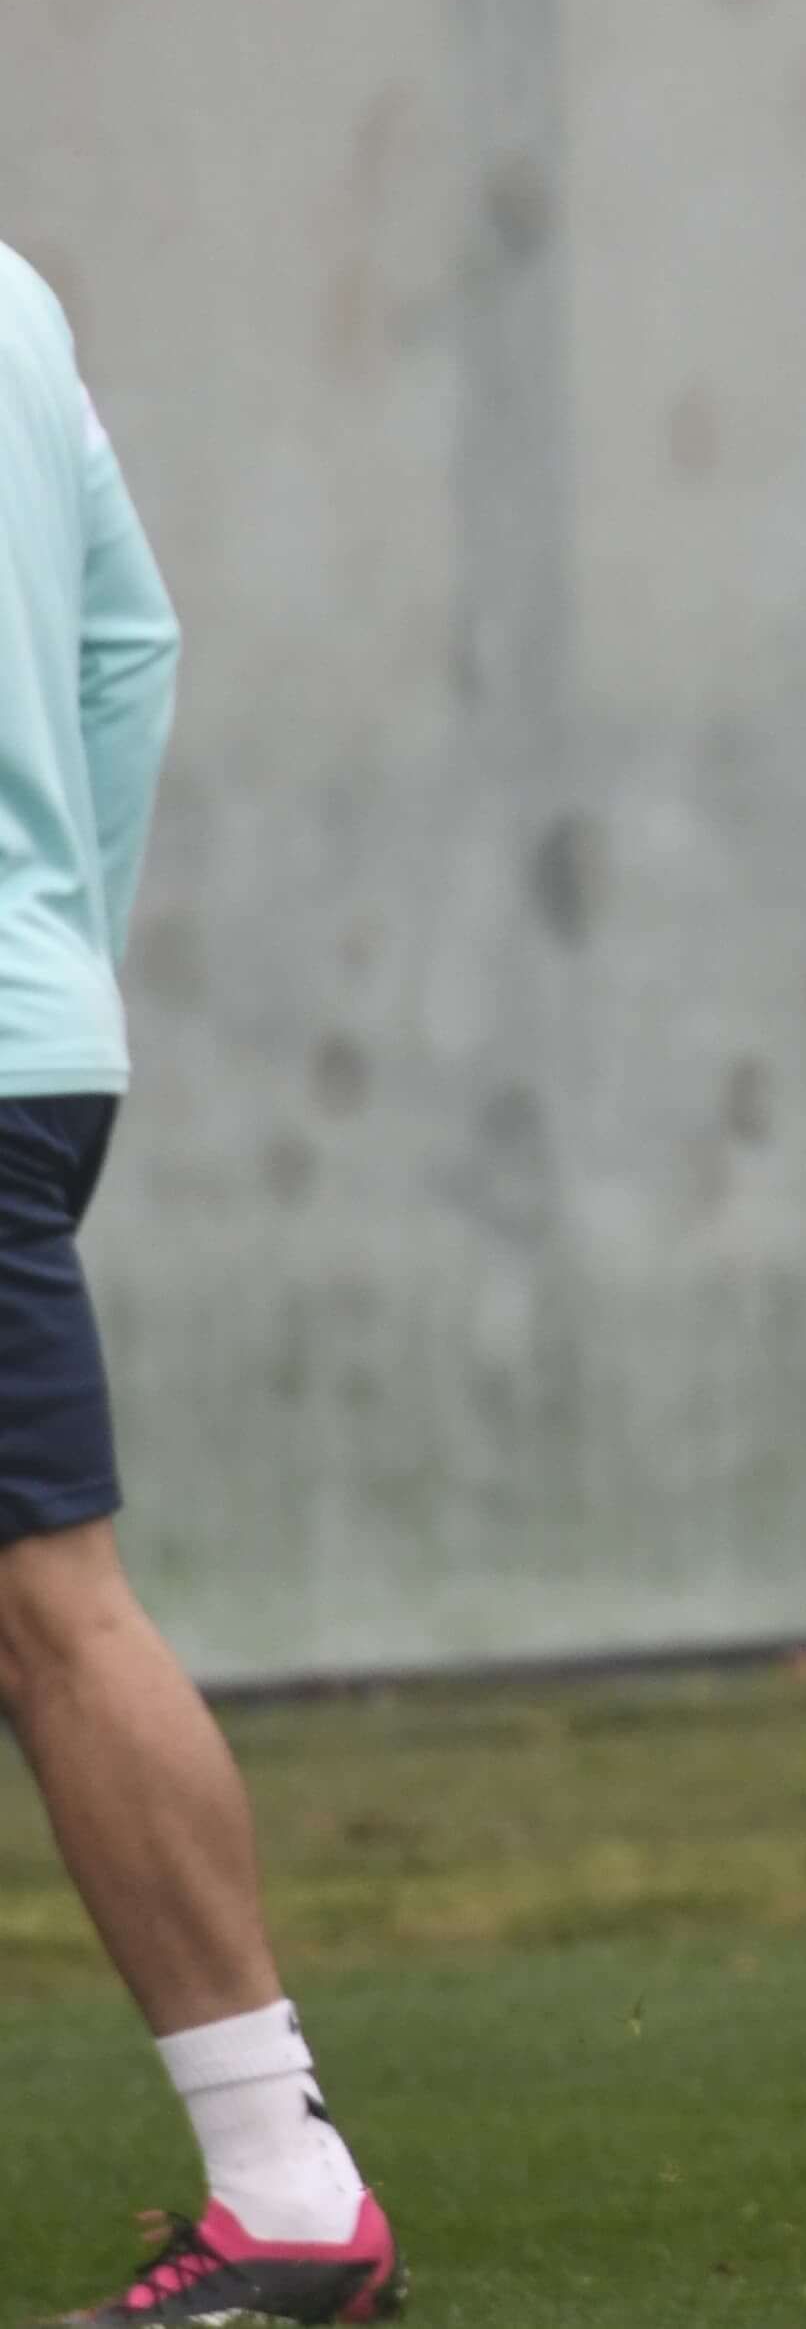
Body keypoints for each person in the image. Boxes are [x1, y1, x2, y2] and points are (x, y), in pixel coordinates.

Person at [0, 247, 406, 2325]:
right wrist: (59, 937)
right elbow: (129, 649)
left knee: (51, 1605)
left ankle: (290, 2193)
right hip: (37, 1033)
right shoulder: (15, 296)